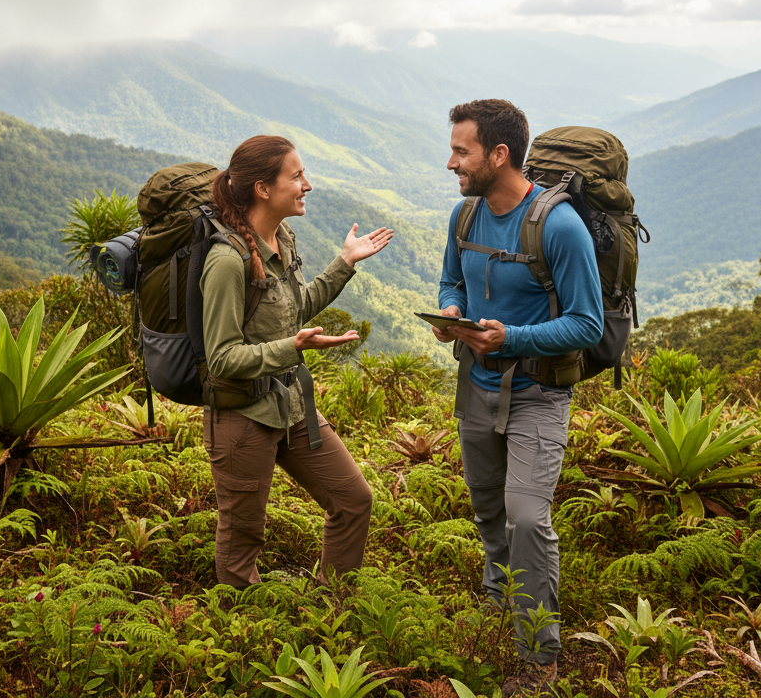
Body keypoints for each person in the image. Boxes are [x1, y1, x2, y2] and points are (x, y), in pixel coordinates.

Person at [432, 100, 602, 687]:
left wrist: (510, 338)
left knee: (527, 518)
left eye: (462, 151)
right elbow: (452, 279)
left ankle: (539, 659)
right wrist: (452, 310)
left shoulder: (557, 225)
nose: (451, 161)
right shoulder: (464, 217)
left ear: (498, 155)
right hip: (474, 388)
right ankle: (498, 597)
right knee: (488, 510)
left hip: (537, 392)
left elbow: (588, 324)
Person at [202, 134, 393, 588]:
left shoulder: (281, 239)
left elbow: (295, 311)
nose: (307, 184)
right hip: (242, 414)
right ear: (263, 189)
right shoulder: (227, 261)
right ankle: (238, 635)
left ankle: (331, 609)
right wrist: (294, 348)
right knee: (243, 536)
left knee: (352, 499)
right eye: (297, 176)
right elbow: (222, 358)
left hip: (291, 404)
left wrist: (345, 262)